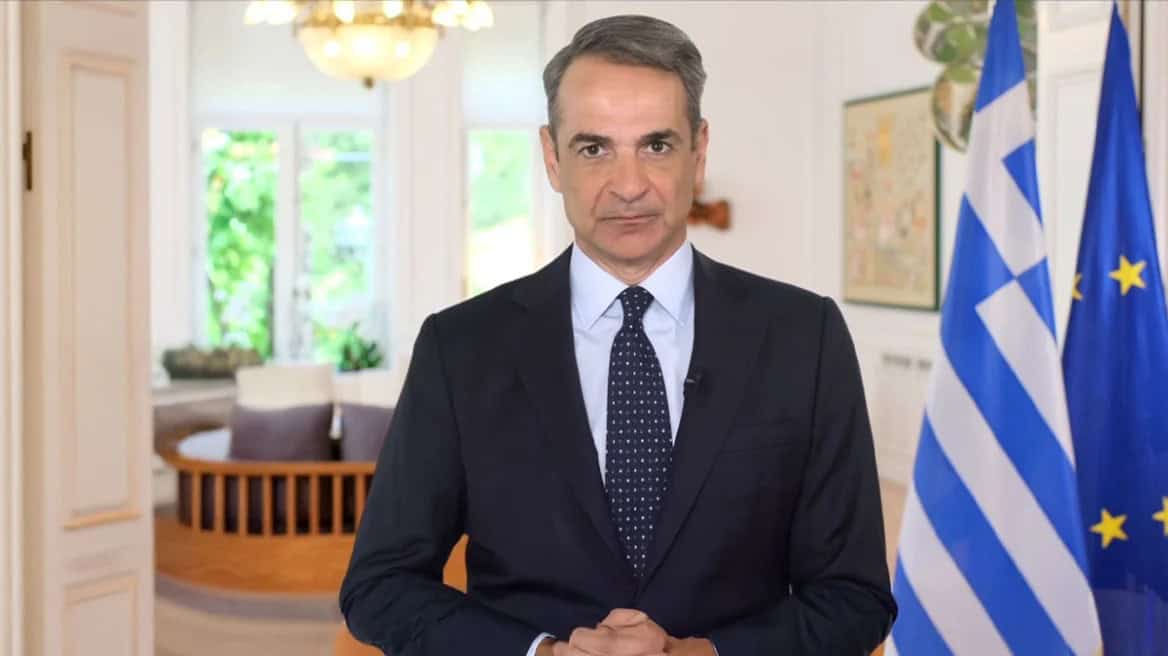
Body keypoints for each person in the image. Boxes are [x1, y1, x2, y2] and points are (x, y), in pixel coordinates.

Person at [340, 14, 896, 655]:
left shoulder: (805, 337)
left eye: (656, 146)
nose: (629, 186)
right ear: (552, 157)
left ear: (699, 151)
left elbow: (855, 598)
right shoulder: (460, 348)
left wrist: (703, 655)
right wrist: (545, 654)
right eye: (594, 148)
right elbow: (380, 586)